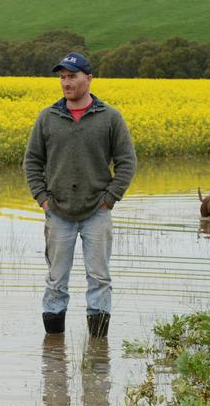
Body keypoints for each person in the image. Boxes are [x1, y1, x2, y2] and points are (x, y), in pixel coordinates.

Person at [23, 52, 136, 337]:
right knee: (55, 281)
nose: (65, 82)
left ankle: (97, 356)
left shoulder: (110, 117)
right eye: (62, 77)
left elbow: (127, 162)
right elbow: (32, 161)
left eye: (72, 76)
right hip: (57, 210)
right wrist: (42, 198)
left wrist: (109, 199)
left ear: (89, 78)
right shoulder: (48, 117)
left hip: (97, 211)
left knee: (99, 278)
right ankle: (54, 356)